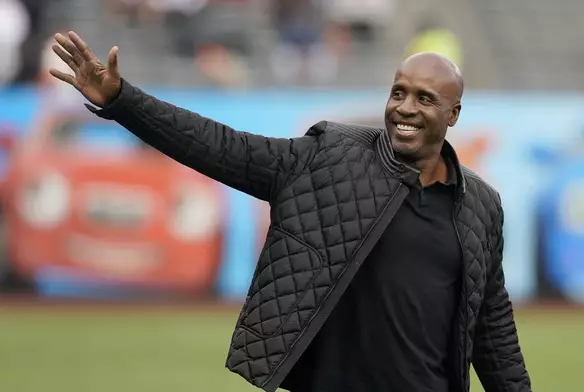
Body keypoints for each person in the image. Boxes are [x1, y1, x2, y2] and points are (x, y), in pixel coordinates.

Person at [49, 31, 532, 392]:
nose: (404, 108)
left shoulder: (481, 206)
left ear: (454, 115)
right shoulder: (327, 157)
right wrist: (121, 102)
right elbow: (220, 147)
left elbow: (492, 330)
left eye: (425, 99)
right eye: (398, 92)